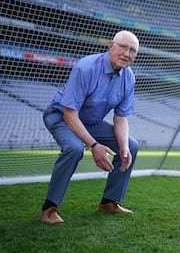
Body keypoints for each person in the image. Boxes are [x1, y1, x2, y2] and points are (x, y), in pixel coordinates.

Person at [39, 30, 140, 224]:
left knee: (131, 146)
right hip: (61, 116)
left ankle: (109, 203)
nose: (127, 54)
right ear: (111, 45)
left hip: (90, 122)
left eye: (133, 51)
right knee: (75, 148)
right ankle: (49, 209)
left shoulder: (129, 77)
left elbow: (120, 118)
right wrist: (94, 146)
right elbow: (70, 114)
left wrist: (124, 148)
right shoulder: (86, 67)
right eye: (123, 47)